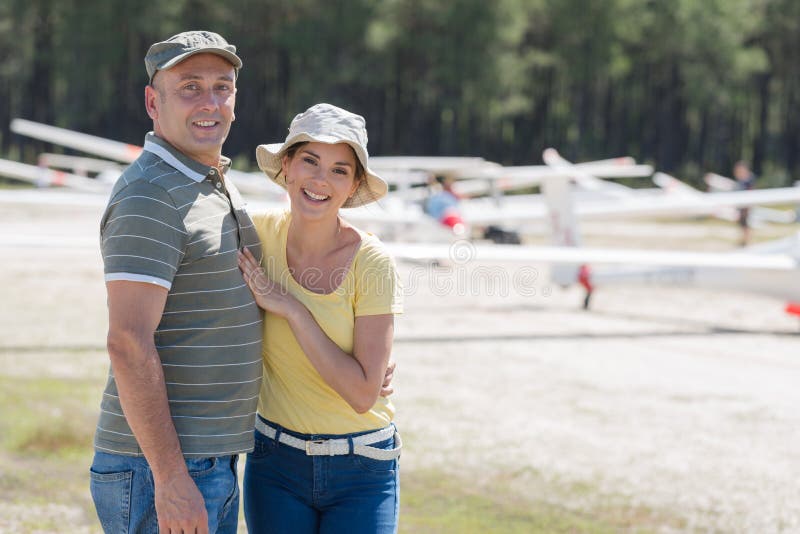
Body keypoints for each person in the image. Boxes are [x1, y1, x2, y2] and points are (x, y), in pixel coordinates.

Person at [89, 31, 263, 533]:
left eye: (222, 87)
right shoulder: (151, 194)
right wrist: (170, 477)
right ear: (152, 101)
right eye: (190, 87)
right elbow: (127, 342)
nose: (210, 103)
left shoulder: (206, 179)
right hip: (162, 467)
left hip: (210, 458)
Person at [237, 103, 404, 534]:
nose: (320, 180)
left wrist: (292, 309)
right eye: (310, 161)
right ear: (287, 167)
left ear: (353, 187)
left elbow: (362, 394)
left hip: (363, 469)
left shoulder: (373, 263)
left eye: (339, 170)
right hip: (274, 464)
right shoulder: (253, 235)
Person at [733, 160, 756, 246]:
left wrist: (748, 206)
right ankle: (745, 240)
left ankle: (746, 241)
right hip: (742, 204)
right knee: (742, 223)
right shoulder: (742, 179)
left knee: (745, 223)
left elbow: (750, 191)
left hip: (746, 204)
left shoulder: (748, 179)